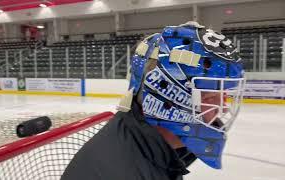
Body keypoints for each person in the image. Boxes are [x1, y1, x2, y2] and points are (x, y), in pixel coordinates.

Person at [61, 21, 245, 180]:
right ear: (167, 94)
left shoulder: (158, 151)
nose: (224, 107)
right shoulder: (118, 171)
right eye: (211, 96)